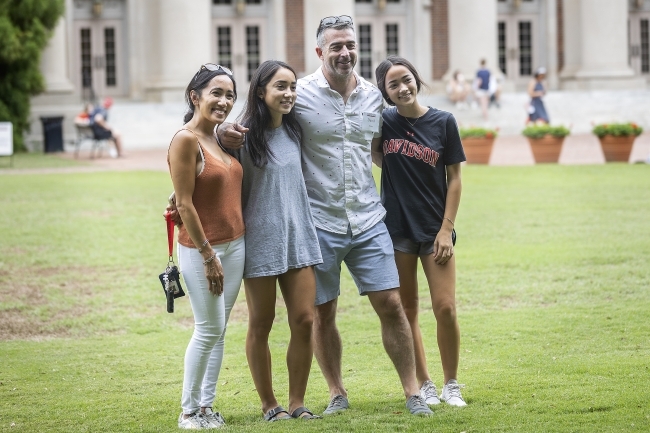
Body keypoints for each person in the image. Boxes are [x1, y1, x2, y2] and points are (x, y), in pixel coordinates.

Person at [218, 16, 432, 416]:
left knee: (391, 303)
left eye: (350, 44)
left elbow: (391, 144)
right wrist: (221, 134)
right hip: (317, 223)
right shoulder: (300, 96)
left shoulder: (374, 97)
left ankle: (413, 391)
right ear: (320, 52)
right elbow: (260, 121)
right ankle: (336, 392)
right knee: (322, 312)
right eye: (335, 46)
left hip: (368, 219)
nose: (344, 52)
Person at [374, 56, 468, 408]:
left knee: (445, 307)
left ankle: (451, 384)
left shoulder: (443, 121)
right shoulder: (384, 122)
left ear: (417, 79)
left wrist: (447, 229)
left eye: (406, 79)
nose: (402, 88)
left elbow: (455, 179)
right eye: (393, 84)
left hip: (434, 230)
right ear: (385, 93)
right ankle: (425, 383)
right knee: (406, 311)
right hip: (396, 229)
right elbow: (372, 152)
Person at [235, 60, 322, 422]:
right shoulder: (239, 137)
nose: (288, 94)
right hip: (259, 241)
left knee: (304, 319)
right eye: (280, 87)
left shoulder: (295, 130)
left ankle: (298, 402)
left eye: (292, 87)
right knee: (262, 322)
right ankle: (270, 404)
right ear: (261, 91)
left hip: (298, 237)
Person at [167, 63, 245, 429]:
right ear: (195, 96)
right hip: (204, 251)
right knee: (208, 329)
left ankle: (206, 406)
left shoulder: (217, 136)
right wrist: (208, 256)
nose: (224, 101)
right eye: (217, 92)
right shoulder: (186, 139)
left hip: (236, 244)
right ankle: (188, 411)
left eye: (230, 94)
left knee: (219, 328)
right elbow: (184, 204)